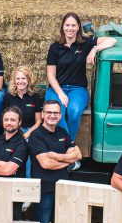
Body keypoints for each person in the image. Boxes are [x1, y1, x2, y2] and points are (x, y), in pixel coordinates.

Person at [45, 13, 116, 163]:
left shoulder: (85, 43)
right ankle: (69, 149)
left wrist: (94, 49)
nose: (70, 28)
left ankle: (65, 151)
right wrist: (60, 94)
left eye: (73, 25)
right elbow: (51, 75)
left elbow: (112, 40)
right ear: (62, 27)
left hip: (78, 89)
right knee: (57, 112)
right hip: (57, 88)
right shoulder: (55, 47)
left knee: (74, 111)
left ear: (78, 27)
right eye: (67, 25)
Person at [26, 99, 80, 223]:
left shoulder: (62, 132)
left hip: (64, 189)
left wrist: (57, 156)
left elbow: (78, 155)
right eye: (49, 112)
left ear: (60, 115)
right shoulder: (36, 135)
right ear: (42, 114)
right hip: (44, 189)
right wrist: (67, 161)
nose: (52, 115)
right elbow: (45, 163)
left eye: (56, 113)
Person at [5, 66, 43, 140]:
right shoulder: (8, 97)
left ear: (28, 80)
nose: (20, 81)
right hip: (13, 130)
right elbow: (6, 119)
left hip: (31, 130)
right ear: (14, 81)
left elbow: (38, 121)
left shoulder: (35, 97)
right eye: (18, 79)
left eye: (23, 78)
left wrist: (27, 133)